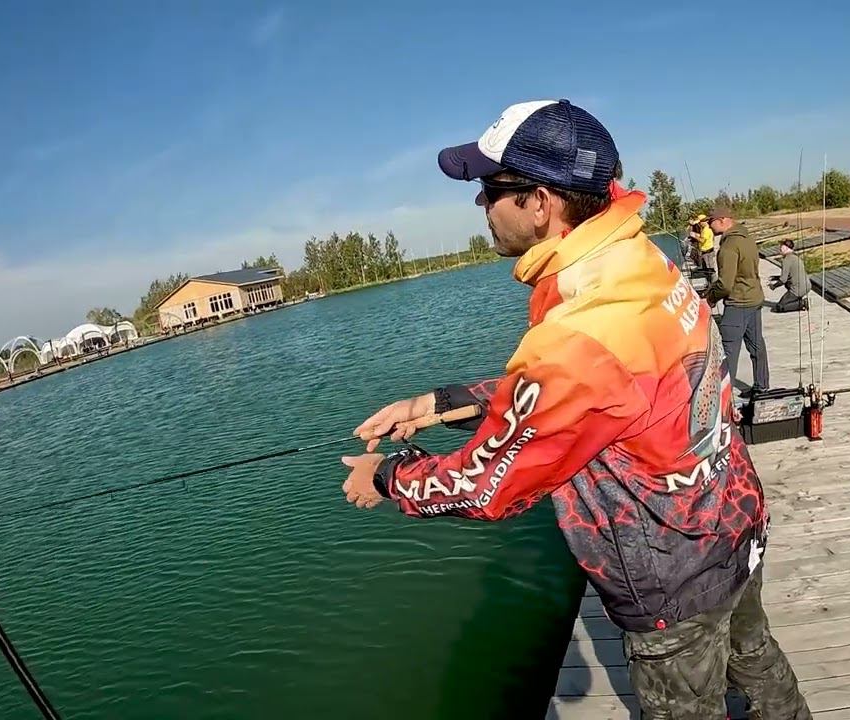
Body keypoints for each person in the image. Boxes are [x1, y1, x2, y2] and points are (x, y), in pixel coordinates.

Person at [339, 99, 810, 719]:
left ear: (538, 202)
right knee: (759, 658)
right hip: (737, 523)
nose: (482, 206)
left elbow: (486, 487)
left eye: (488, 189)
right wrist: (442, 402)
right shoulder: (638, 262)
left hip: (675, 575)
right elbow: (603, 392)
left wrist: (386, 477)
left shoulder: (581, 329)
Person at [706, 201, 770, 397]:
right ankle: (762, 386)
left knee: (728, 352)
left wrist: (710, 297)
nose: (709, 226)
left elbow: (725, 284)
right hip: (754, 298)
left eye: (711, 222)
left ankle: (724, 400)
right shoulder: (747, 238)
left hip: (738, 304)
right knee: (757, 345)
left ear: (723, 220)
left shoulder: (729, 246)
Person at [770, 239, 810, 313]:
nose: (780, 248)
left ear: (785, 248)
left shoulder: (786, 260)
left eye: (781, 246)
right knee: (788, 285)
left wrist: (774, 286)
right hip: (807, 285)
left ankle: (802, 303)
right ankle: (797, 300)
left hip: (798, 289)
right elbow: (791, 274)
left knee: (779, 307)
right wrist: (776, 277)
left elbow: (783, 280)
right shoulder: (795, 257)